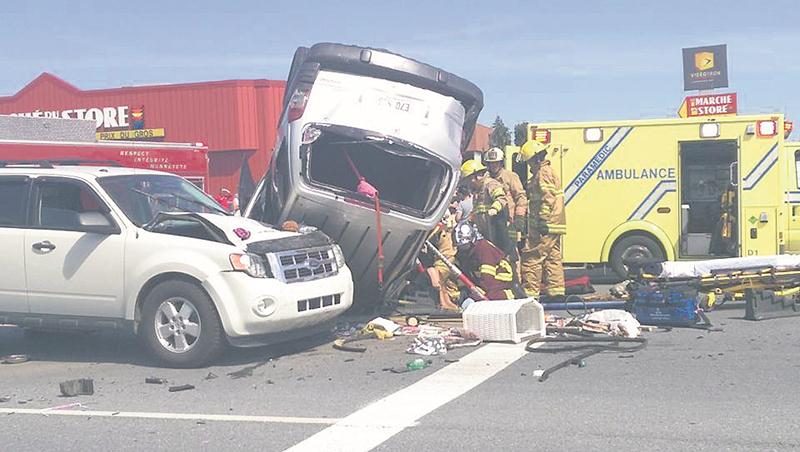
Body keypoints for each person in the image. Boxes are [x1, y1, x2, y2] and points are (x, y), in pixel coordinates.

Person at [518, 140, 566, 299]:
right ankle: (556, 292)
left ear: (535, 159)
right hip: (555, 224)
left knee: (532, 256)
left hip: (545, 224)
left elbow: (548, 198)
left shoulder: (543, 173)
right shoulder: (548, 171)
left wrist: (543, 220)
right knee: (552, 257)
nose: (529, 166)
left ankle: (530, 293)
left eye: (529, 162)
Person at [453, 221, 520, 301]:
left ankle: (511, 295)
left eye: (465, 245)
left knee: (490, 296)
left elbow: (488, 279)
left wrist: (479, 291)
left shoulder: (483, 249)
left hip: (501, 281)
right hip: (484, 284)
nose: (462, 249)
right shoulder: (464, 253)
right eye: (460, 246)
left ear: (472, 240)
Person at [483, 147, 528, 256]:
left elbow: (520, 197)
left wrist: (519, 217)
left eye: (496, 163)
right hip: (490, 223)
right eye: (491, 163)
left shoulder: (511, 177)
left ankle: (514, 267)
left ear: (501, 162)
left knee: (510, 253)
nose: (493, 166)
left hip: (508, 222)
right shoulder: (485, 179)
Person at [460, 160, 509, 252]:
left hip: (495, 231)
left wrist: (494, 209)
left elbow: (501, 198)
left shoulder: (491, 184)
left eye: (469, 180)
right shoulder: (477, 190)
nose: (469, 184)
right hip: (484, 233)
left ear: (475, 176)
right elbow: (478, 210)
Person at [419, 214, 461, 311]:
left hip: (444, 260)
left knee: (440, 279)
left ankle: (446, 302)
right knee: (440, 279)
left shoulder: (441, 231)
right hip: (442, 260)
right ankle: (445, 302)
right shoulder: (440, 231)